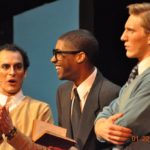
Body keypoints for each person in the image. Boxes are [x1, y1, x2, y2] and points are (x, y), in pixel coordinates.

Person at [50, 29, 120, 150]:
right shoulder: (62, 92)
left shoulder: (111, 93)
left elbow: (120, 145)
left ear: (80, 57)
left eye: (58, 53)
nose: (53, 59)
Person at [95, 2, 150, 150]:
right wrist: (100, 126)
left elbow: (125, 127)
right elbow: (109, 110)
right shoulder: (137, 75)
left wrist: (102, 127)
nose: (122, 37)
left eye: (130, 30)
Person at [0, 44, 54, 150]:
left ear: (25, 72)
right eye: (5, 67)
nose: (12, 72)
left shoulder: (41, 109)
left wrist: (12, 133)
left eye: (18, 67)